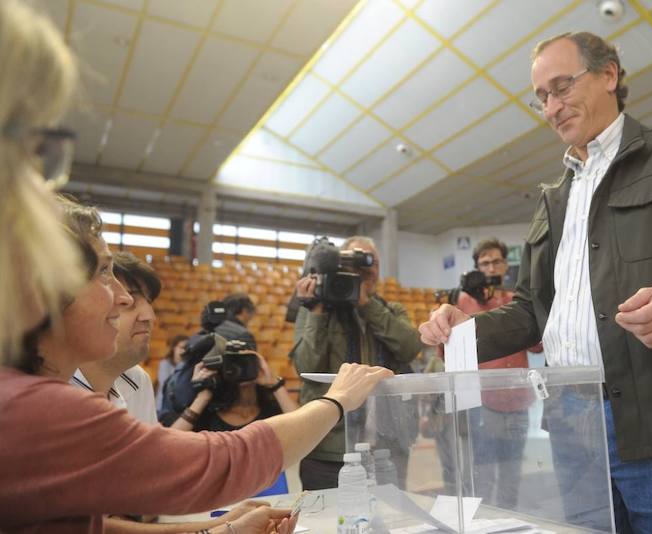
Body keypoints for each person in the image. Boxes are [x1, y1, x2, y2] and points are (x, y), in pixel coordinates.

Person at [0, 8, 392, 529]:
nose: (121, 298)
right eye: (37, 156)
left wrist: (218, 528)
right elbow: (217, 465)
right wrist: (338, 400)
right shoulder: (33, 410)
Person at [420, 31, 652, 533]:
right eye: (541, 97)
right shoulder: (552, 198)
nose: (552, 107)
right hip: (570, 426)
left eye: (562, 86)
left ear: (609, 74)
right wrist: (469, 327)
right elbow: (533, 309)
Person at [291, 236, 424, 490]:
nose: (363, 269)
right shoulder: (315, 309)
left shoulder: (392, 310)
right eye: (353, 261)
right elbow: (306, 368)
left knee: (389, 521)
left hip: (387, 447)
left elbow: (410, 347)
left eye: (369, 261)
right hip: (330, 449)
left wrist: (365, 303)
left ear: (379, 269)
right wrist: (316, 312)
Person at [456, 238, 542, 509]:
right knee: (483, 473)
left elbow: (538, 345)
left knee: (511, 474)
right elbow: (451, 352)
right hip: (483, 405)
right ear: (477, 267)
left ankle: (507, 522)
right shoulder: (464, 302)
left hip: (518, 402)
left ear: (506, 265)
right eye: (485, 263)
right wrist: (484, 303)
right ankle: (482, 524)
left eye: (496, 261)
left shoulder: (518, 302)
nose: (491, 267)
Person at [72, 250, 161, 424]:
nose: (149, 316)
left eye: (149, 301)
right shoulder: (44, 389)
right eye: (128, 302)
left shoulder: (139, 380)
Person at [171, 350, 299, 432]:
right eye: (234, 365)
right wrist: (202, 396)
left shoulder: (271, 411)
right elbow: (172, 440)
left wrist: (274, 384)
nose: (241, 369)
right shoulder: (210, 415)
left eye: (246, 363)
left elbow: (301, 426)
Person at [156, 334, 188, 410]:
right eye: (181, 347)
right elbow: (167, 383)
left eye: (186, 348)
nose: (184, 351)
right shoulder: (164, 363)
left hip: (180, 407)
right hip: (163, 406)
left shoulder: (187, 365)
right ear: (174, 348)